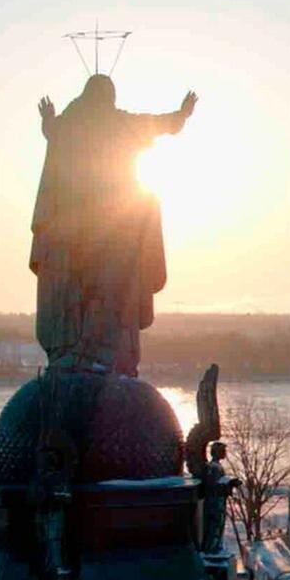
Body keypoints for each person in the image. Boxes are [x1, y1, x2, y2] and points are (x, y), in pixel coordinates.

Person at [29, 74, 196, 375]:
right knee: (111, 286)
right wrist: (181, 114)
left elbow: (53, 138)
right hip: (112, 225)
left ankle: (84, 347)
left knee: (82, 289)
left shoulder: (69, 124)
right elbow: (156, 124)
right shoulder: (117, 123)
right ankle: (102, 348)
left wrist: (49, 123)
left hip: (76, 226)